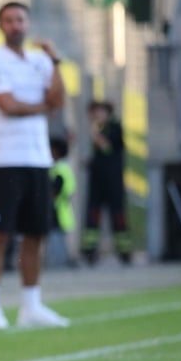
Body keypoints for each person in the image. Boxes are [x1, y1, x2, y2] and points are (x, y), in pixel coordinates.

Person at [0, 1, 69, 330]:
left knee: (36, 234)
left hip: (38, 159)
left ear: (28, 23)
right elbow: (7, 106)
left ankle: (31, 305)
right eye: (9, 20)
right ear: (1, 25)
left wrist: (55, 62)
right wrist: (42, 106)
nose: (16, 25)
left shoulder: (39, 60)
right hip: (6, 159)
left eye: (20, 19)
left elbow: (58, 102)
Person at [80, 99, 131, 266]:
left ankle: (124, 252)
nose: (97, 116)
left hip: (113, 181)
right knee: (93, 215)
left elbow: (110, 149)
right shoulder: (98, 129)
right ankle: (90, 251)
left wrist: (96, 136)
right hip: (97, 181)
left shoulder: (114, 128)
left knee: (118, 215)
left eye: (100, 112)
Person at [47, 137, 76, 268]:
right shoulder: (64, 167)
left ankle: (59, 264)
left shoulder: (59, 169)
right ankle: (62, 262)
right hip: (62, 210)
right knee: (59, 238)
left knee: (56, 239)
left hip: (58, 210)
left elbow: (55, 190)